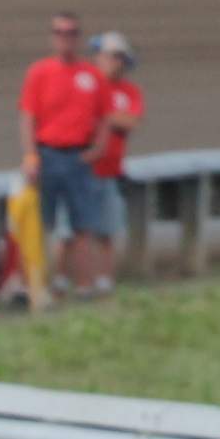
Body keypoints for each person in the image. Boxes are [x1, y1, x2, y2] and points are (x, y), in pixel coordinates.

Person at [18, 10, 110, 299]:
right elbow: (27, 116)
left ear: (78, 38)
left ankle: (84, 285)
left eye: (70, 33)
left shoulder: (92, 76)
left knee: (83, 226)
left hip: (78, 157)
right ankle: (33, 286)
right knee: (38, 225)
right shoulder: (39, 72)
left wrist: (98, 149)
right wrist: (31, 156)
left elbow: (105, 116)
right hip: (47, 155)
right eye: (59, 33)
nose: (65, 39)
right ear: (52, 37)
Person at [78, 31, 143, 297]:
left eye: (118, 58)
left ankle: (104, 280)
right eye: (108, 57)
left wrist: (106, 116)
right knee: (77, 231)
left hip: (111, 171)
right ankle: (79, 281)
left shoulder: (129, 92)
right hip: (83, 169)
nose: (113, 63)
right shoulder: (86, 85)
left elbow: (131, 121)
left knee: (107, 230)